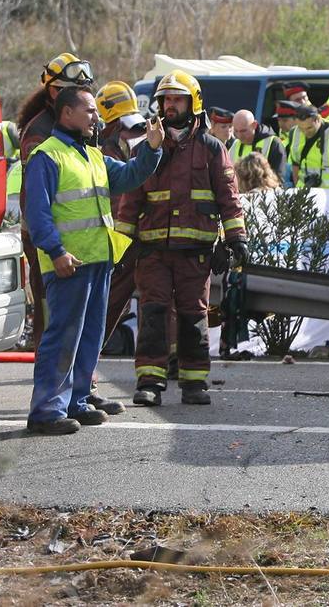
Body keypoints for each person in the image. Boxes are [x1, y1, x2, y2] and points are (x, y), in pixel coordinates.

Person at [24, 86, 163, 434]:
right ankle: (46, 410)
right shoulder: (47, 156)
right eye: (89, 111)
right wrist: (56, 252)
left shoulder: (93, 156)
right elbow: (38, 215)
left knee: (89, 335)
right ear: (66, 113)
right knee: (63, 336)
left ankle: (77, 400)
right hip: (69, 263)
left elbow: (131, 176)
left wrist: (152, 148)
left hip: (97, 261)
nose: (96, 118)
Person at [115, 71, 247, 407]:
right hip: (153, 251)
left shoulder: (212, 149)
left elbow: (228, 198)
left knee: (193, 316)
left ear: (194, 103)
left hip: (197, 253)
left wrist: (236, 240)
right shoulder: (147, 148)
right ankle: (149, 382)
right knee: (153, 312)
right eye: (165, 99)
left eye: (177, 99)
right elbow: (131, 198)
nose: (170, 105)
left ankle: (194, 382)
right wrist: (123, 244)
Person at [16, 54, 100, 391]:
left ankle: (80, 387)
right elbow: (38, 202)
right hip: (48, 239)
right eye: (74, 88)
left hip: (79, 241)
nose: (82, 94)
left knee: (81, 318)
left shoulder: (79, 127)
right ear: (55, 94)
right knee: (54, 317)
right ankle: (52, 392)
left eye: (84, 88)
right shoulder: (39, 134)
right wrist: (54, 247)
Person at [95, 81, 153, 347]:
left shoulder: (124, 150)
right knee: (107, 306)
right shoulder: (101, 157)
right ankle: (84, 362)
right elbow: (119, 202)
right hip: (117, 245)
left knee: (155, 303)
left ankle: (159, 361)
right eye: (125, 126)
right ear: (108, 125)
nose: (133, 133)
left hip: (136, 240)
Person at [287, 102, 329, 189]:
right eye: (301, 128)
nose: (305, 133)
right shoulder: (294, 133)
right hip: (303, 194)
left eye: (309, 128)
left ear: (318, 119)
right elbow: (295, 165)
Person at [230, 109, 286, 179]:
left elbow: (278, 176)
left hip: (264, 188)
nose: (239, 136)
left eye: (243, 131)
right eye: (236, 131)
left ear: (254, 125)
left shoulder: (272, 143)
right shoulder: (236, 144)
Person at [2, 118, 21, 196]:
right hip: (10, 164)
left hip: (6, 165)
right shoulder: (8, 126)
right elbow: (18, 144)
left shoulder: (7, 126)